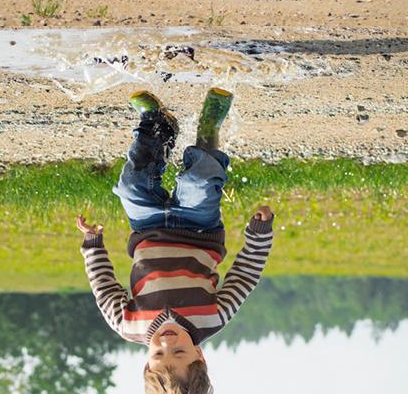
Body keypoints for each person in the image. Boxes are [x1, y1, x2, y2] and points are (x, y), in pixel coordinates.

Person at [77, 88, 275, 393]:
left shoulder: (128, 325)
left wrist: (93, 245)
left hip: (147, 228)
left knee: (131, 187)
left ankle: (157, 125)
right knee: (198, 182)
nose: (167, 343)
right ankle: (208, 130)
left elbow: (103, 288)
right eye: (179, 352)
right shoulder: (212, 318)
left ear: (147, 364)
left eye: (158, 354)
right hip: (198, 229)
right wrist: (259, 236)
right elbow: (245, 277)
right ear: (200, 355)